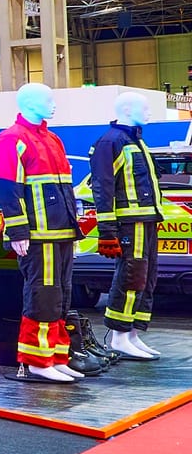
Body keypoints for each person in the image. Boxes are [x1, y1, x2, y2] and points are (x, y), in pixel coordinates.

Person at [0, 82, 84, 383]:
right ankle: (36, 361)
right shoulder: (11, 139)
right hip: (38, 235)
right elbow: (8, 189)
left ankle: (56, 357)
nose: (54, 103)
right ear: (29, 102)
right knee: (42, 296)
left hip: (61, 232)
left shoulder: (53, 139)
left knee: (61, 296)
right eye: (48, 98)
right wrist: (18, 231)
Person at [89, 91, 165, 362]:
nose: (149, 112)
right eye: (144, 107)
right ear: (128, 108)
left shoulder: (136, 140)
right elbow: (103, 187)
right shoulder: (110, 142)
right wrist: (107, 230)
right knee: (131, 276)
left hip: (146, 221)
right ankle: (119, 336)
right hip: (129, 223)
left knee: (147, 277)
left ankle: (132, 333)